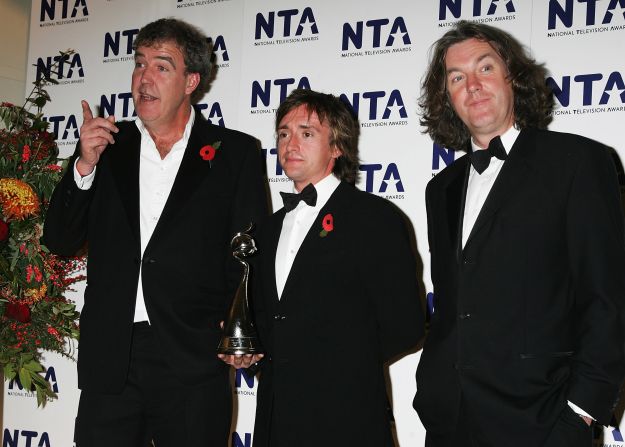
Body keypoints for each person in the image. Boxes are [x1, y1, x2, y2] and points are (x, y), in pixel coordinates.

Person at [43, 18, 268, 447]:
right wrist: (83, 166)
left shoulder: (234, 154)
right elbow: (59, 241)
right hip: (112, 359)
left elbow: (249, 254)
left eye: (162, 67)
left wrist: (243, 325)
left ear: (191, 81)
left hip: (192, 358)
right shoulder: (107, 146)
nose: (144, 78)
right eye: (139, 63)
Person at [413, 20, 625, 447]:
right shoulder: (441, 188)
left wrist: (581, 411)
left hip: (542, 420)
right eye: (456, 77)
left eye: (485, 68)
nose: (472, 85)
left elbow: (608, 297)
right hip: (450, 420)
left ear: (513, 77)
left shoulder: (577, 163)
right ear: (446, 98)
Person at [221, 88, 425, 446]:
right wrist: (252, 354)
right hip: (274, 421)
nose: (290, 143)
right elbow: (270, 323)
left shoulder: (375, 219)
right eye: (284, 133)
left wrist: (339, 365)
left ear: (337, 147)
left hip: (346, 417)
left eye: (307, 132)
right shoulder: (264, 231)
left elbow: (406, 325)